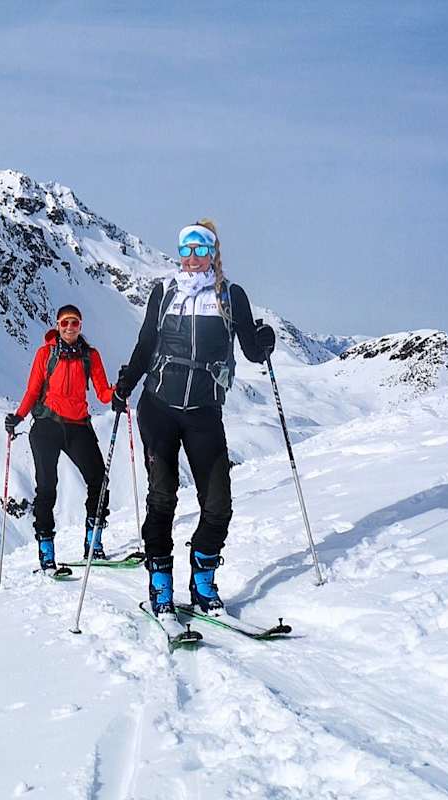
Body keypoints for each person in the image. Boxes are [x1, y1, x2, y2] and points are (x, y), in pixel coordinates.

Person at [111, 220, 276, 619]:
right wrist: (125, 385)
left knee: (218, 504)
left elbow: (253, 352)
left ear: (214, 252)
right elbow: (146, 342)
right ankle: (160, 585)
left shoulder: (231, 296)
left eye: (201, 248)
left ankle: (202, 582)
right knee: (162, 498)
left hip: (204, 412)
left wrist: (264, 339)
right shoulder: (164, 292)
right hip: (159, 407)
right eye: (186, 248)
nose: (192, 256)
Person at [5, 304, 116, 572]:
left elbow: (103, 393)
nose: (69, 328)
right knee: (47, 487)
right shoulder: (46, 353)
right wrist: (18, 417)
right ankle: (46, 552)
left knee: (99, 481)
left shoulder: (90, 356)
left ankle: (93, 545)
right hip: (47, 425)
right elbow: (33, 390)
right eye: (65, 323)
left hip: (78, 426)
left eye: (74, 323)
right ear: (57, 325)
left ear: (81, 326)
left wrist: (119, 391)